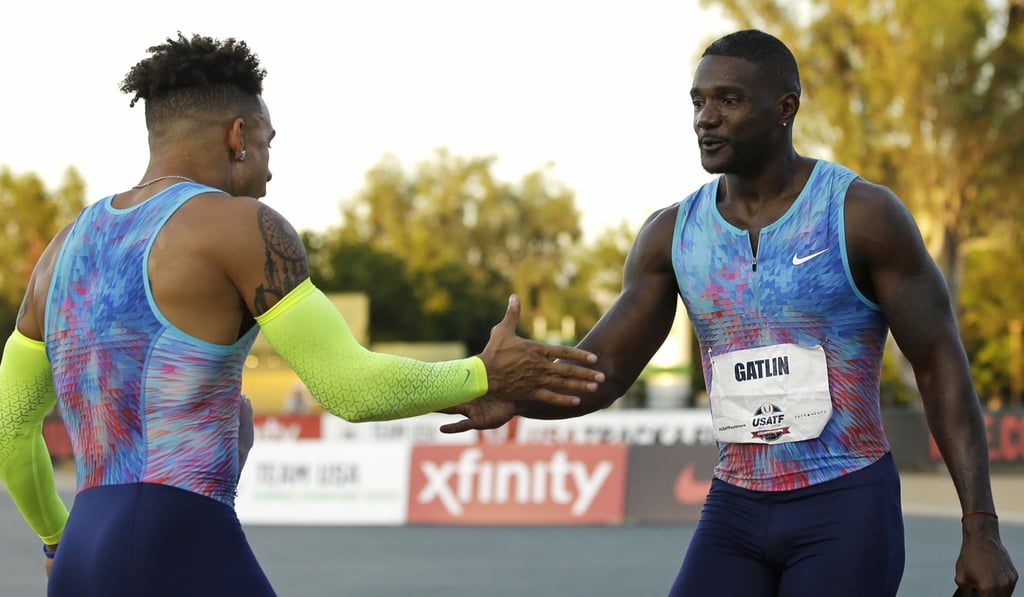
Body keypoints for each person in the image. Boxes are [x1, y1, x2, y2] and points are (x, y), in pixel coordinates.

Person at [0, 33, 605, 597]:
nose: (269, 167)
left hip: (81, 555)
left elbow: (9, 428)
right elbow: (350, 387)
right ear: (238, 135)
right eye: (268, 142)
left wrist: (57, 536)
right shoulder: (241, 228)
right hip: (179, 541)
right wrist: (484, 374)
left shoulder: (61, 251)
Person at [440, 29, 1018, 597]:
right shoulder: (672, 235)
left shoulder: (861, 215)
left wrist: (980, 527)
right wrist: (510, 395)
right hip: (735, 508)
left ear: (785, 109)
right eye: (698, 101)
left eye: (729, 101)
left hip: (844, 503)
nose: (705, 118)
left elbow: (940, 363)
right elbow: (601, 374)